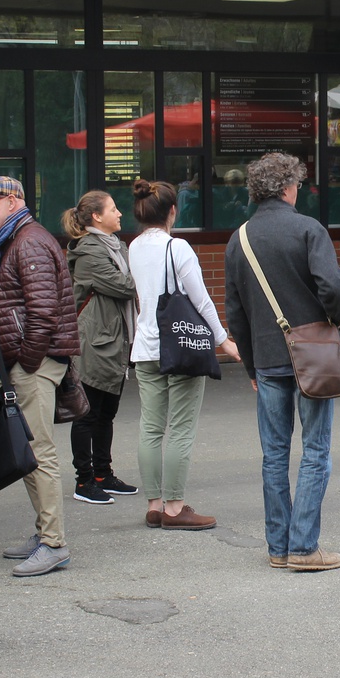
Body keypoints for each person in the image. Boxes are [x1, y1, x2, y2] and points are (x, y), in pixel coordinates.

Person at [224, 153, 340, 572]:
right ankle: (303, 547)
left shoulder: (239, 238)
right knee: (316, 451)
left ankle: (279, 546)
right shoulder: (309, 229)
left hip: (265, 357)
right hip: (313, 353)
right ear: (287, 188)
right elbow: (332, 287)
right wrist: (333, 321)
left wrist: (250, 365)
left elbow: (235, 311)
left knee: (274, 455)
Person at [0, 176, 82, 578]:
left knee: (38, 453)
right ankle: (45, 535)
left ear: (14, 201)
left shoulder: (27, 241)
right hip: (26, 362)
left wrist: (26, 362)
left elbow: (43, 311)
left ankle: (54, 544)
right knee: (30, 452)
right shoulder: (14, 240)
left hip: (33, 363)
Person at [127, 181, 239, 530]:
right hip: (179, 347)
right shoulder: (177, 247)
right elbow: (200, 300)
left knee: (150, 428)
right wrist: (223, 340)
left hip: (145, 348)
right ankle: (175, 508)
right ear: (172, 211)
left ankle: (154, 505)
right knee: (180, 428)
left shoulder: (133, 247)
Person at [62, 190, 140, 506]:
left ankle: (102, 474)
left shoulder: (116, 246)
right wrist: (147, 276)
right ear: (96, 217)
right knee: (87, 414)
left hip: (115, 340)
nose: (119, 213)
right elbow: (123, 285)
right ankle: (84, 480)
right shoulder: (89, 250)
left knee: (107, 413)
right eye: (113, 208)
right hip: (95, 341)